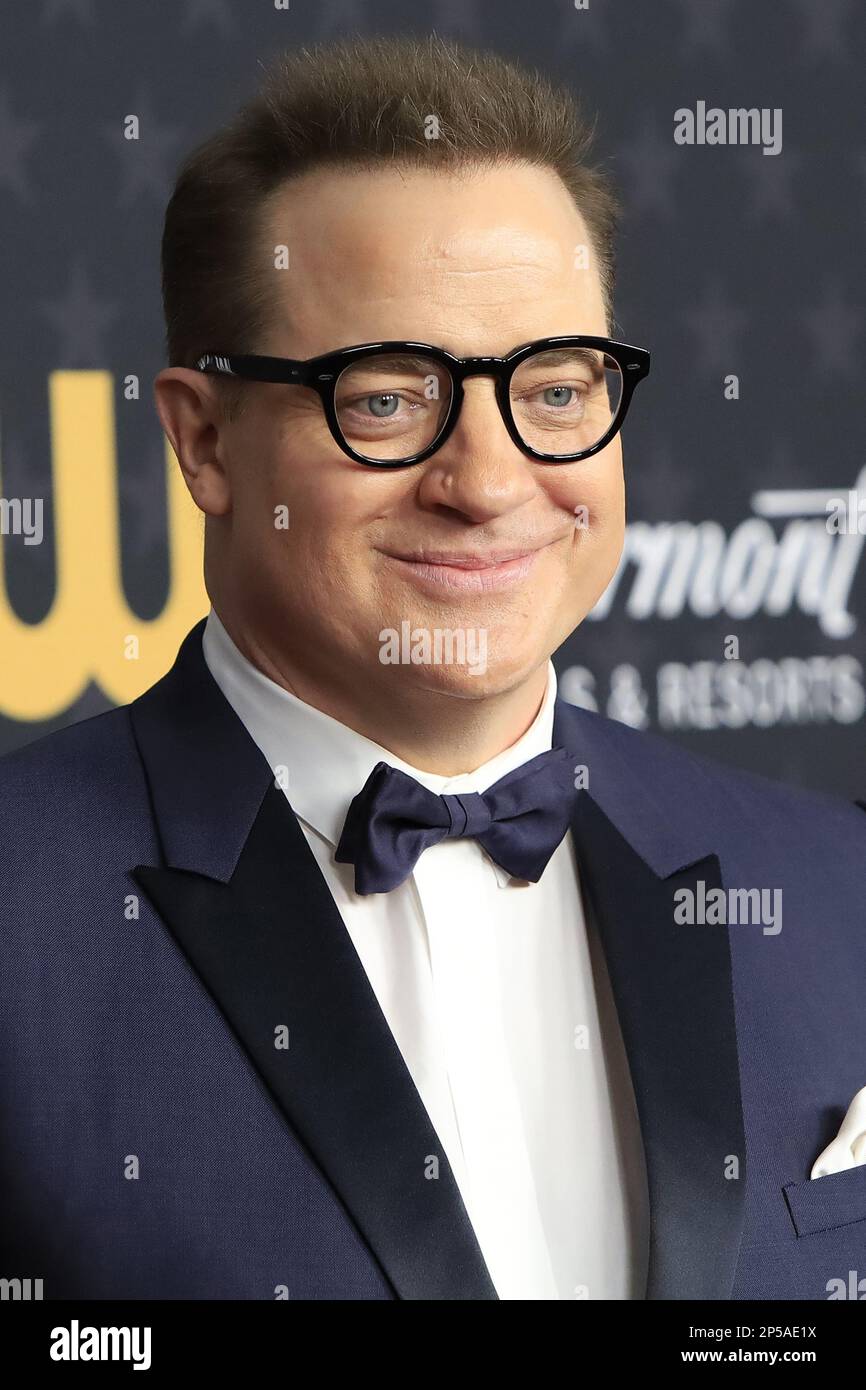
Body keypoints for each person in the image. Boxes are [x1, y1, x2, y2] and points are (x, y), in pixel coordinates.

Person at [2, 34, 865, 1302]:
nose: (489, 482)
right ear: (202, 442)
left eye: (556, 390)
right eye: (388, 397)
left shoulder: (834, 885)